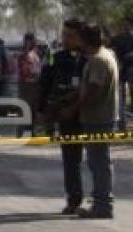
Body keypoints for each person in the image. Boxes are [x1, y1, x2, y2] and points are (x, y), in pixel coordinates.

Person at [61, 24, 118, 219]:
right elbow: (88, 87)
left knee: (99, 162)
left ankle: (102, 206)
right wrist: (71, 97)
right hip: (100, 117)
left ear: (84, 41)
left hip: (98, 118)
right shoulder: (104, 55)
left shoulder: (98, 60)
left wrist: (73, 108)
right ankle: (101, 203)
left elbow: (94, 89)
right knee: (99, 161)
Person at [38, 18, 87, 214]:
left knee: (96, 159)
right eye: (63, 34)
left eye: (70, 35)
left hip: (89, 113)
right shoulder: (55, 57)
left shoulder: (90, 57)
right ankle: (74, 199)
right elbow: (45, 83)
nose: (65, 39)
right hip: (66, 113)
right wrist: (41, 110)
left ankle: (101, 199)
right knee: (71, 158)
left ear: (80, 37)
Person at [17, 33, 43, 137]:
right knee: (25, 110)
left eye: (32, 40)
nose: (32, 42)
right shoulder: (24, 54)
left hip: (35, 85)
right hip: (26, 86)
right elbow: (24, 69)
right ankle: (22, 134)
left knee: (33, 111)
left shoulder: (36, 53)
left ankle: (32, 134)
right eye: (29, 40)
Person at [110, 16, 133, 129]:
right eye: (123, 25)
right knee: (120, 98)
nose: (125, 27)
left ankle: (123, 123)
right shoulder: (116, 39)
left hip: (130, 69)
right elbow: (112, 51)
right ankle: (121, 124)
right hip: (120, 69)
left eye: (127, 24)